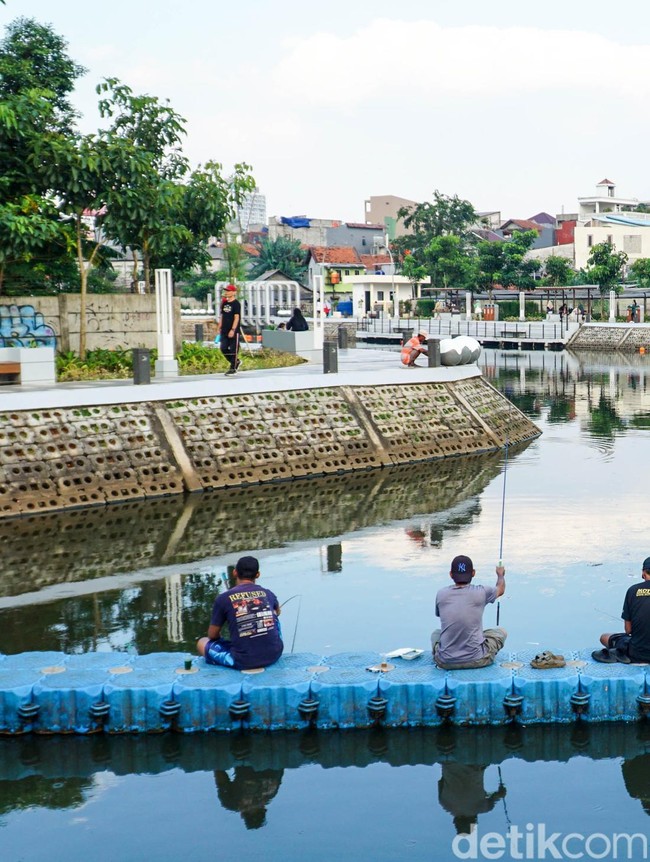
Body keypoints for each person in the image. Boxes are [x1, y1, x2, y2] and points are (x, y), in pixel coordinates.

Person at [197, 555, 283, 670]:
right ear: (257, 574)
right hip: (274, 654)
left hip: (244, 661)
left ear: (234, 573)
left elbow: (212, 635)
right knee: (272, 615)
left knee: (202, 642)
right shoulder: (268, 593)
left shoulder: (223, 598)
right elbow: (277, 612)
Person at [431, 555, 507, 669]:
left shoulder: (441, 594)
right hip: (477, 660)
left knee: (436, 634)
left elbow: (441, 616)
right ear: (473, 573)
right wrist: (500, 574)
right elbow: (500, 589)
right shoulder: (481, 592)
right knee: (501, 632)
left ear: (451, 574)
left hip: (445, 662)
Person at [592, 556, 650, 664]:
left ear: (643, 573)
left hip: (637, 654)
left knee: (604, 637)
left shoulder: (633, 590)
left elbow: (628, 630)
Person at [218, 284, 241, 376]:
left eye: (229, 291)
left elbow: (236, 317)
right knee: (223, 348)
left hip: (233, 331)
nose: (226, 292)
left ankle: (233, 367)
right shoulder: (225, 303)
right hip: (224, 329)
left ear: (234, 292)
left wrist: (233, 329)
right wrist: (220, 326)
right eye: (226, 291)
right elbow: (222, 315)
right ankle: (236, 362)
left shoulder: (236, 304)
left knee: (233, 350)